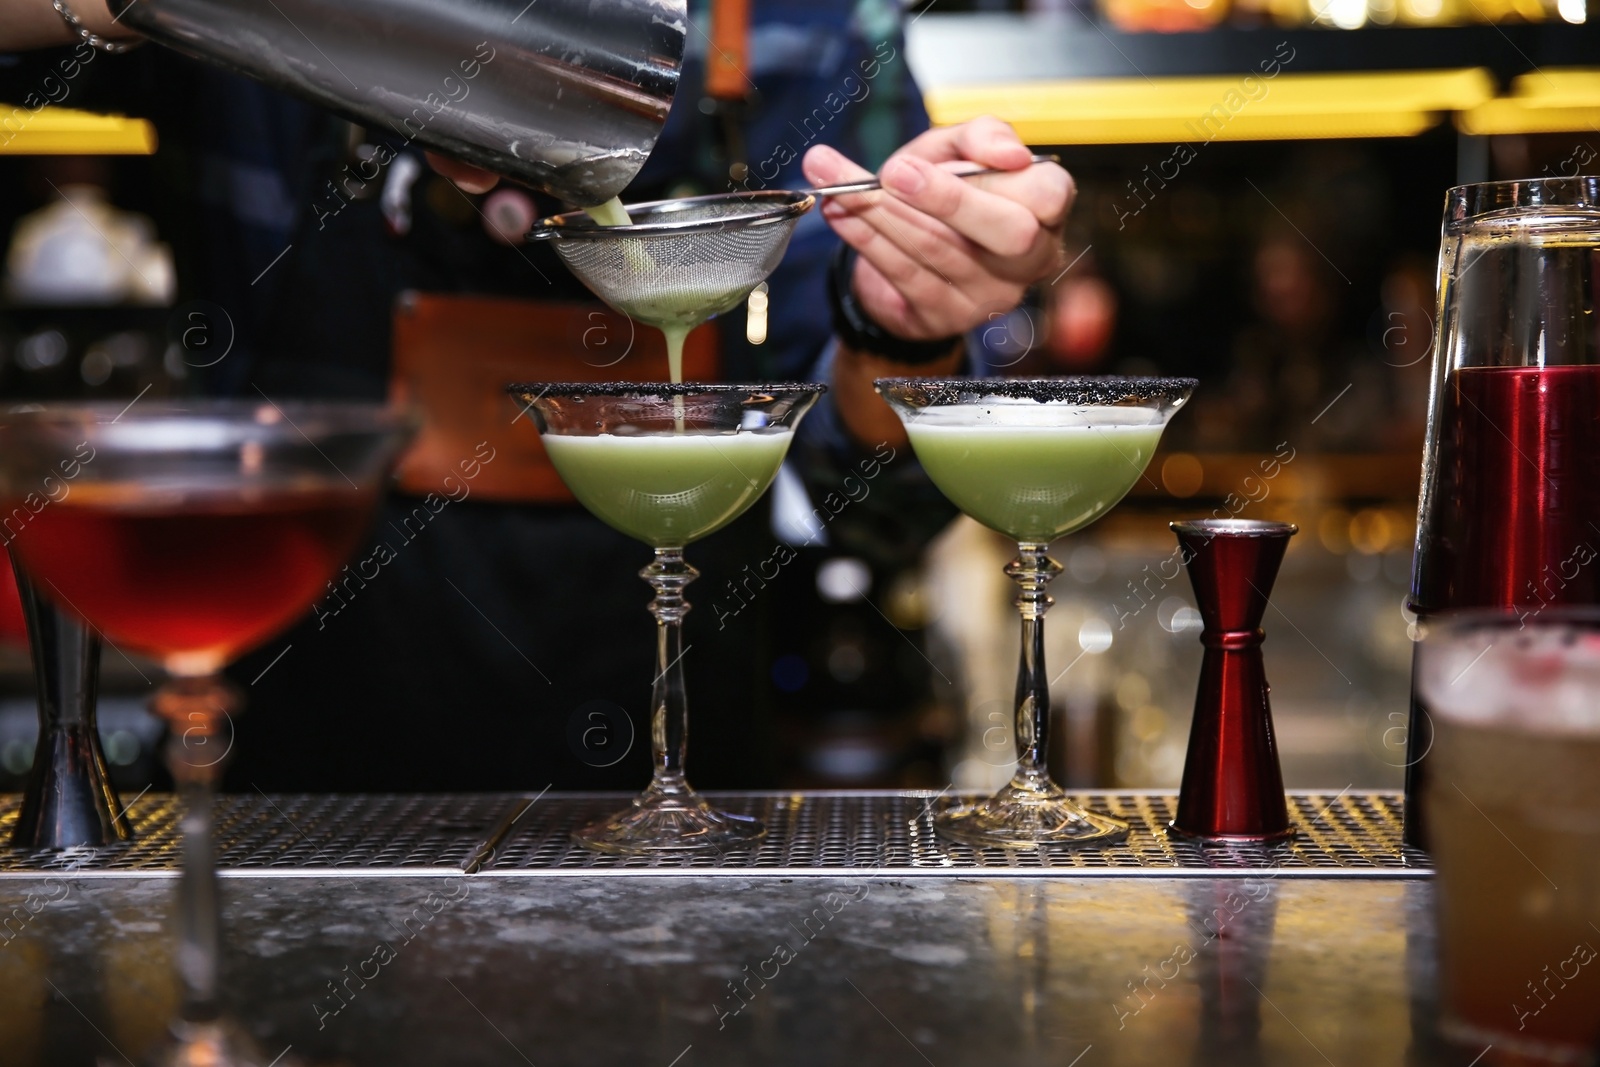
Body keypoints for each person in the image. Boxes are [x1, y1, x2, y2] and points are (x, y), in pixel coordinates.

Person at [0, 0, 1073, 790]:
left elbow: (866, 505)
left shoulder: (802, 26)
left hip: (687, 782)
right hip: (296, 766)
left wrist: (904, 324)